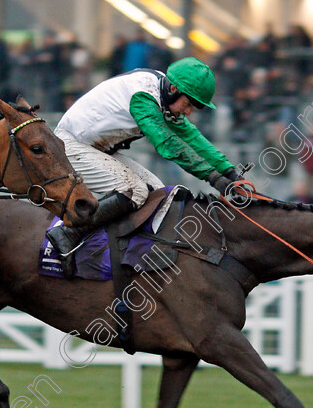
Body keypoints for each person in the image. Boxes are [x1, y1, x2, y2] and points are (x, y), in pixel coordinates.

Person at [46, 57, 242, 272]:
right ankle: (67, 232)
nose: (187, 112)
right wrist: (213, 178)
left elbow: (193, 138)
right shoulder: (144, 98)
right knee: (135, 191)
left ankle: (130, 250)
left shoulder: (164, 94)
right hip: (70, 147)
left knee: (158, 191)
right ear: (174, 89)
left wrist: (229, 172)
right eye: (187, 104)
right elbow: (167, 144)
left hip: (93, 148)